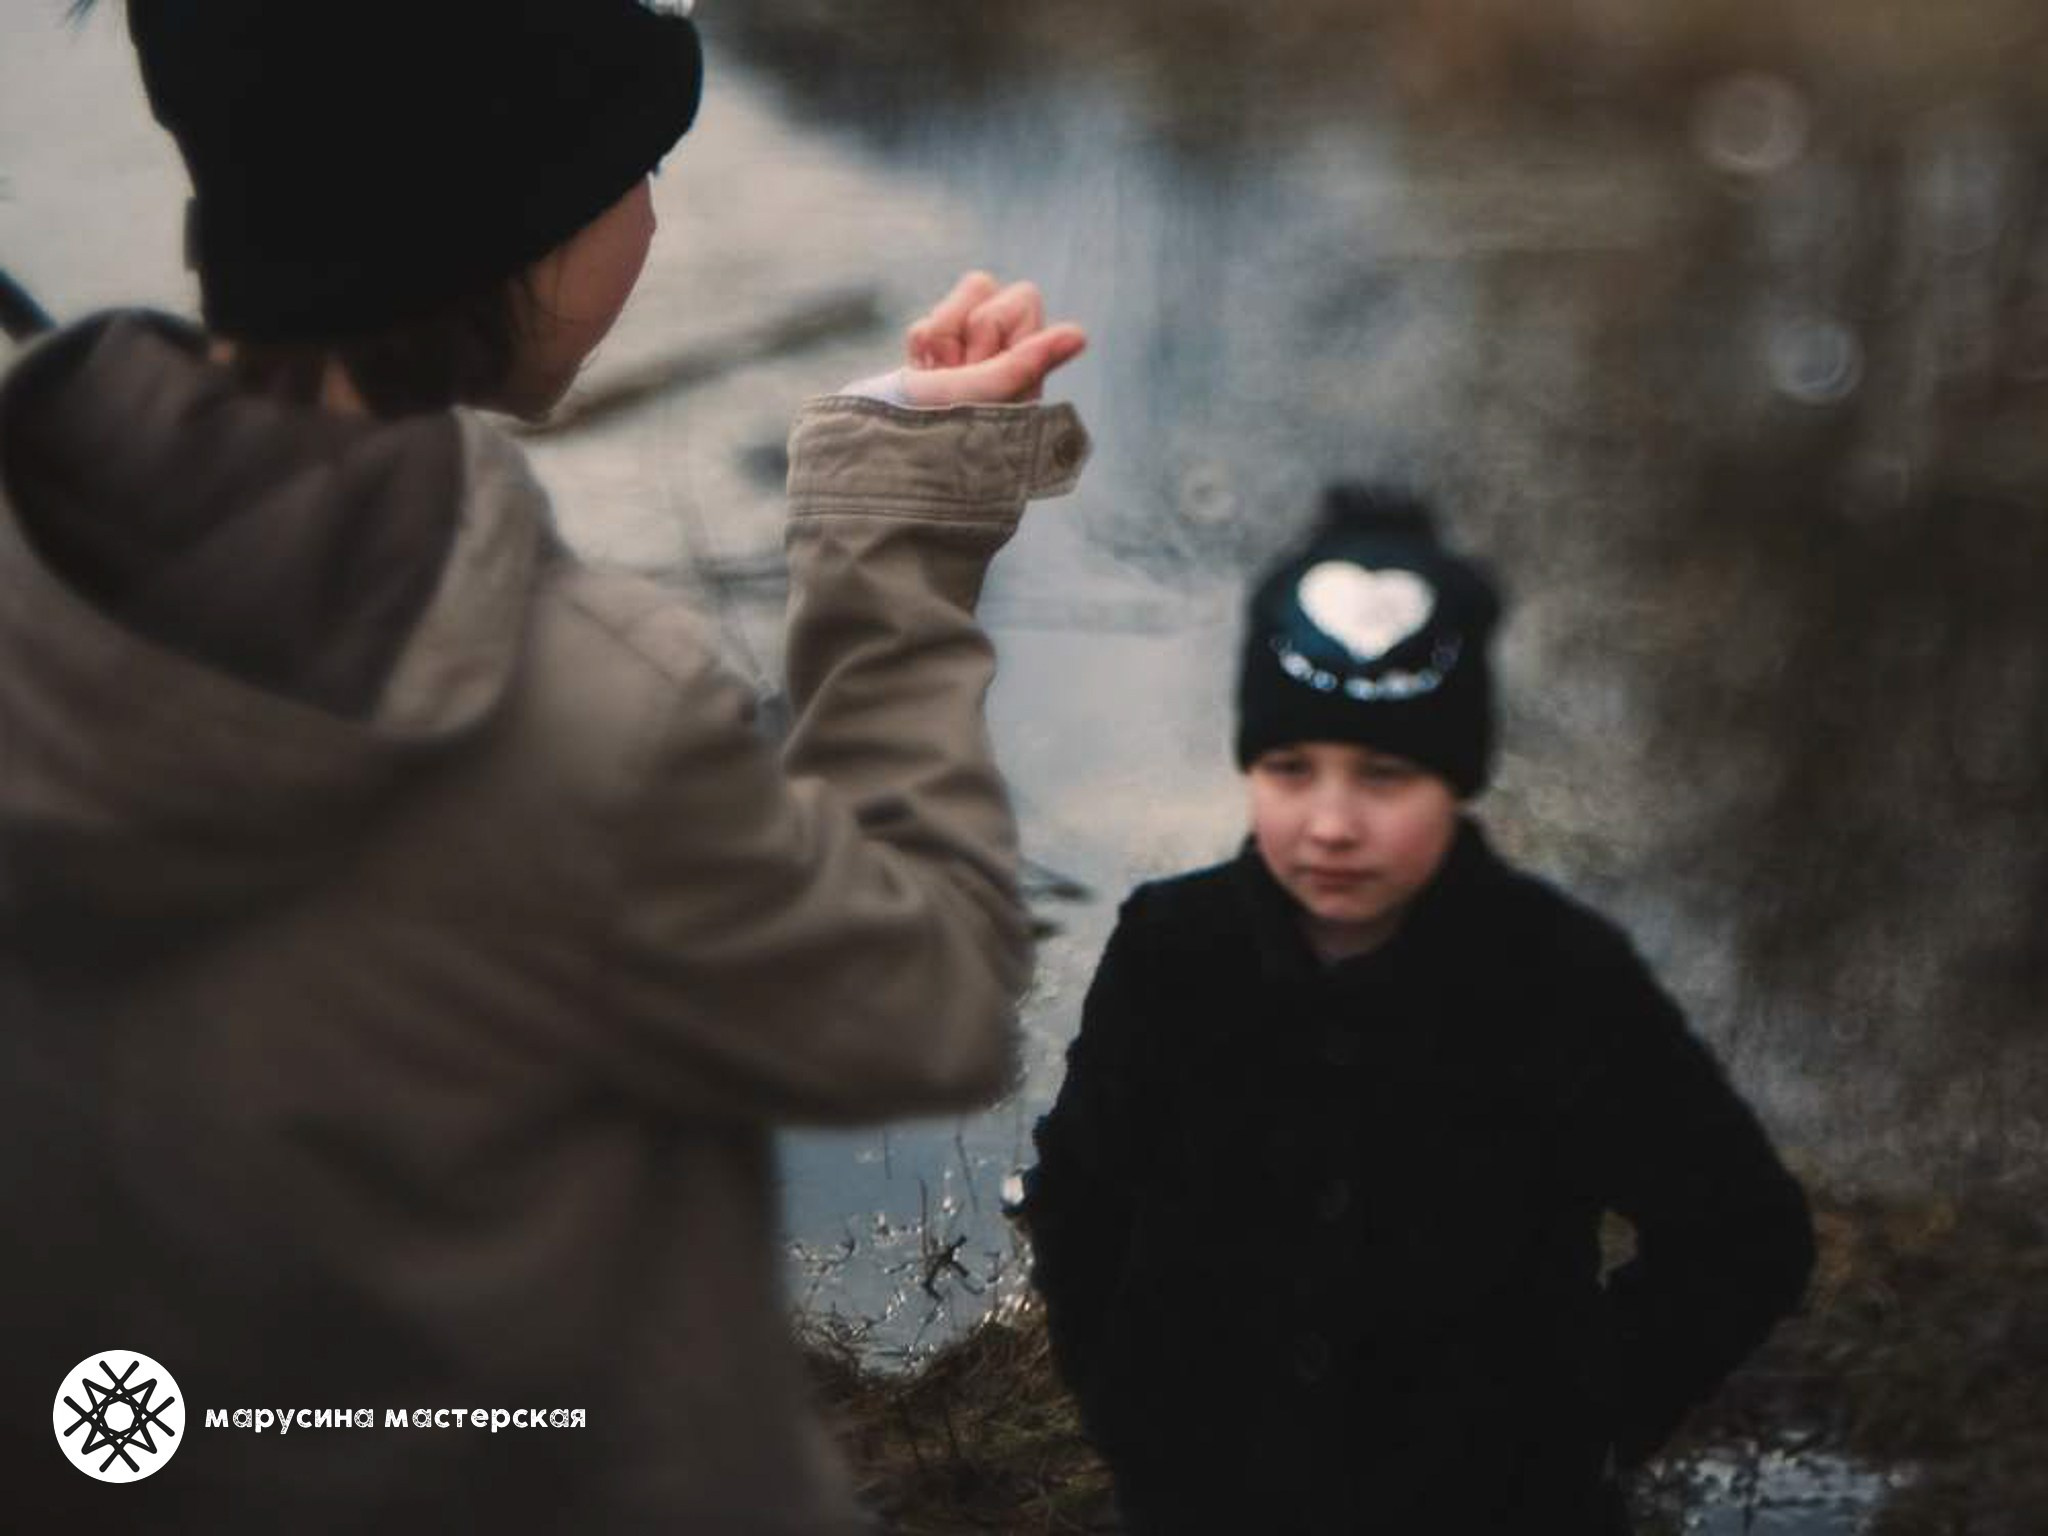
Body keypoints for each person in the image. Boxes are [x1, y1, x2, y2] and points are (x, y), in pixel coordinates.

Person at [0, 2, 1087, 1530]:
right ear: (508, 228)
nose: (650, 214)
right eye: (637, 166)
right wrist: (892, 536)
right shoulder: (592, 714)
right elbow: (926, 1000)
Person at [1021, 486, 1815, 1535]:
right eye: (1289, 769)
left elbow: (1740, 1230)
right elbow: (1081, 1195)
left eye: (1384, 775)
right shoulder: (1174, 949)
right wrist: (1131, 1415)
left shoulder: (1557, 974)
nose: (1331, 823)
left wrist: (1579, 1428)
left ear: (1456, 780)